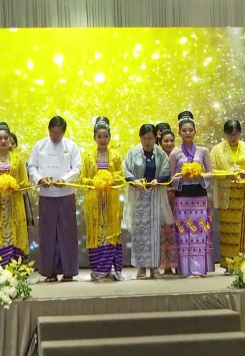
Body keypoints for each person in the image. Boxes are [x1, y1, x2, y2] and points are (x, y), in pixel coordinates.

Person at [28, 116, 81, 282]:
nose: (55, 136)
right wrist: (39, 179)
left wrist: (65, 179)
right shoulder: (39, 146)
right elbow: (32, 167)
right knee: (47, 234)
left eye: (58, 133)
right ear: (48, 130)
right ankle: (49, 272)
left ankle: (68, 271)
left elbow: (77, 168)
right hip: (46, 195)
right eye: (52, 132)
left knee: (67, 233)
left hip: (66, 194)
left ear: (64, 132)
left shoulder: (71, 146)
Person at [124, 124, 174, 279]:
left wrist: (157, 180)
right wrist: (134, 180)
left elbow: (166, 171)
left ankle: (154, 267)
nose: (147, 141)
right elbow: (125, 170)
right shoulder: (133, 153)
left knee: (155, 232)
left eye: (150, 138)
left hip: (155, 196)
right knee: (140, 233)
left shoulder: (160, 154)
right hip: (138, 197)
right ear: (140, 138)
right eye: (144, 138)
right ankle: (141, 268)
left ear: (155, 138)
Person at [168, 111, 214, 277]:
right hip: (182, 197)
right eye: (184, 130)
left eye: (190, 130)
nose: (187, 133)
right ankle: (185, 269)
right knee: (183, 232)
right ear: (179, 133)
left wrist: (200, 176)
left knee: (199, 231)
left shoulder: (203, 151)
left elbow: (211, 173)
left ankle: (199, 269)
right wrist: (181, 177)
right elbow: (170, 179)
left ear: (195, 132)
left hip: (199, 195)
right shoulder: (175, 153)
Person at [80, 117, 125, 282]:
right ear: (94, 138)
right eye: (99, 136)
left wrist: (111, 179)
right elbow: (83, 179)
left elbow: (121, 177)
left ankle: (113, 269)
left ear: (110, 137)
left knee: (112, 233)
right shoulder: (88, 157)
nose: (103, 140)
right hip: (94, 203)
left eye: (106, 136)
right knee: (97, 234)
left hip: (111, 204)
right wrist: (95, 181)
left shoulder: (116, 157)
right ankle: (98, 270)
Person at [0, 122, 30, 265]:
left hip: (14, 204)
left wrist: (15, 185)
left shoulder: (18, 159)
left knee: (15, 233)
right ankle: (0, 269)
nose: (3, 141)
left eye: (6, 138)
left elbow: (25, 181)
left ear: (10, 140)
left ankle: (16, 267)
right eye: (0, 138)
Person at [210, 120, 245, 272]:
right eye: (230, 134)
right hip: (226, 195)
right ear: (225, 134)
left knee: (244, 229)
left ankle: (244, 263)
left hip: (244, 192)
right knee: (227, 231)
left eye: (236, 134)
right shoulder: (216, 150)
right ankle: (229, 264)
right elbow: (212, 171)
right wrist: (226, 175)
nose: (233, 137)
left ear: (240, 134)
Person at [157, 124, 178, 275]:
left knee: (177, 231)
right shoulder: (158, 157)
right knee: (165, 231)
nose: (169, 144)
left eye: (171, 141)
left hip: (178, 197)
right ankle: (166, 265)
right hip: (162, 196)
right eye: (166, 141)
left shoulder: (179, 155)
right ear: (160, 142)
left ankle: (180, 264)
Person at [9, 132, 35, 240]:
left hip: (20, 198)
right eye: (8, 142)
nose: (10, 145)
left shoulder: (22, 161)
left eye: (13, 143)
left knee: (21, 231)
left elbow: (26, 181)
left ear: (16, 145)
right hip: (2, 199)